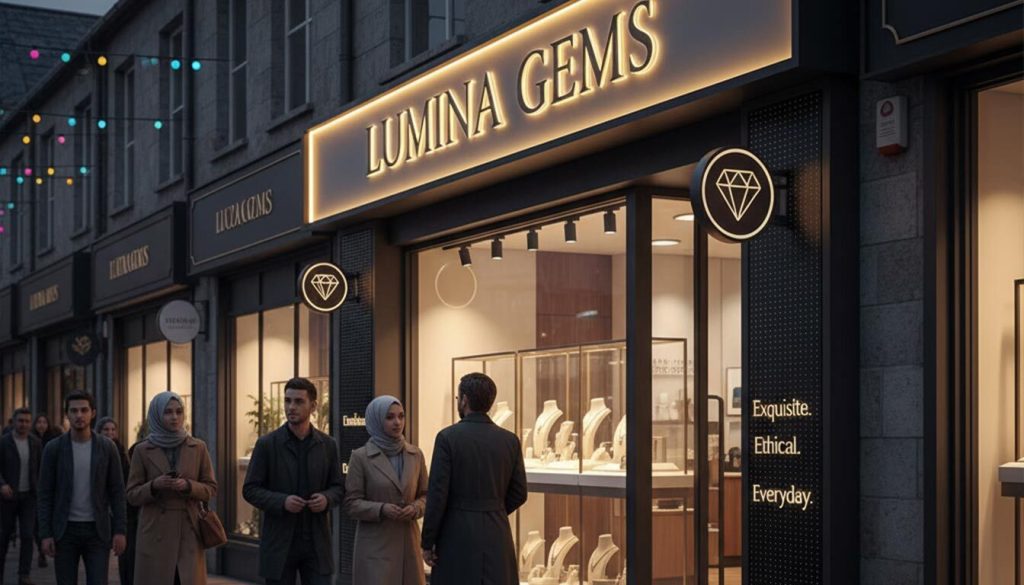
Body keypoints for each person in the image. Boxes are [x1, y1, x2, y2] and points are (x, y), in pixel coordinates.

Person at [421, 373, 528, 585]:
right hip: (497, 529)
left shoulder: (447, 438)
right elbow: (519, 493)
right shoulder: (510, 440)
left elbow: (437, 494)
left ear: (465, 400)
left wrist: (428, 541)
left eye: (457, 398)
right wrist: (492, 508)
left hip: (456, 531)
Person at [243, 377, 344, 585]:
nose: (291, 407)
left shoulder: (327, 445)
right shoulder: (267, 444)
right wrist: (282, 501)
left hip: (316, 541)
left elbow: (339, 487)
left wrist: (326, 499)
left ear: (313, 406)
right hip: (280, 542)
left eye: (298, 401)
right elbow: (250, 489)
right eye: (287, 401)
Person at [126, 391, 216, 585]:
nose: (174, 417)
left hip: (189, 531)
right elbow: (132, 495)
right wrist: (154, 486)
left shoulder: (198, 447)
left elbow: (211, 488)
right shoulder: (142, 450)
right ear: (157, 415)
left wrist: (188, 486)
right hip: (154, 533)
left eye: (179, 411)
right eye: (168, 412)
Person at [37, 391, 127, 585]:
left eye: (84, 410)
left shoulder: (107, 447)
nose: (79, 415)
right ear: (67, 415)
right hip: (64, 530)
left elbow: (117, 491)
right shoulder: (53, 449)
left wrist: (120, 530)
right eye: (74, 410)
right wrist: (45, 534)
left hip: (97, 531)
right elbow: (44, 494)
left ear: (93, 413)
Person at [343, 396, 429, 585]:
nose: (397, 422)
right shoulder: (360, 457)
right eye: (389, 417)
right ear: (376, 420)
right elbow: (351, 504)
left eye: (401, 416)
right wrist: (381, 509)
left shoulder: (415, 455)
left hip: (409, 546)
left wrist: (416, 508)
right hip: (376, 548)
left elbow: (426, 495)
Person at [0, 408, 42, 585]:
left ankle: (24, 574)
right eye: (20, 421)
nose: (23, 424)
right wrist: (2, 484)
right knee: (3, 538)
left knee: (27, 535)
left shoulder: (35, 443)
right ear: (14, 422)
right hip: (8, 497)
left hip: (29, 497)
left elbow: (40, 467)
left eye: (26, 421)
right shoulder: (4, 442)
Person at [95, 417, 132, 585]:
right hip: (100, 507)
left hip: (119, 506)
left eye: (113, 430)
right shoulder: (95, 450)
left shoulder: (122, 451)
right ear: (99, 431)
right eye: (106, 430)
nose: (110, 433)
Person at [32, 414, 60, 569]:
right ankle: (41, 549)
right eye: (39, 422)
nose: (41, 425)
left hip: (49, 486)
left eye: (44, 422)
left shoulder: (53, 439)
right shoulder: (32, 439)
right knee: (36, 523)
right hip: (34, 487)